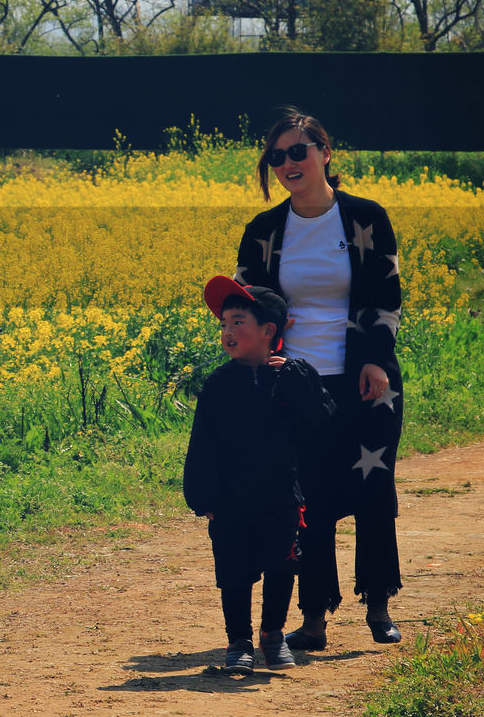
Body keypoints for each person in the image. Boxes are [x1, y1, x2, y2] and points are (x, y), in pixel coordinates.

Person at [234, 107, 406, 649]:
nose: (288, 163)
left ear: (325, 154)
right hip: (298, 384)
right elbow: (247, 306)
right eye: (277, 156)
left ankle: (378, 606)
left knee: (374, 489)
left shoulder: (366, 218)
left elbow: (385, 295)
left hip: (364, 379)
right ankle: (313, 618)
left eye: (298, 152)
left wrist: (376, 358)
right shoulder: (263, 231)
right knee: (310, 501)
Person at [184, 276, 335, 675]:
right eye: (223, 324)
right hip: (231, 499)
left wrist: (300, 381)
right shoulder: (217, 385)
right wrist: (205, 498)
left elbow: (323, 425)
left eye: (238, 323)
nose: (227, 332)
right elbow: (202, 446)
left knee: (282, 566)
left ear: (269, 330)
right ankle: (238, 642)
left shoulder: (291, 378)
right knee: (233, 571)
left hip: (281, 496)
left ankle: (272, 634)